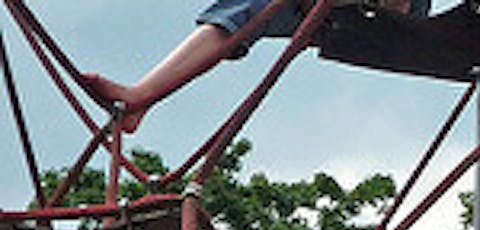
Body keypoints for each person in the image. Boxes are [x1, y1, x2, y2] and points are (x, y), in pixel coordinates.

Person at [81, 0, 430, 132]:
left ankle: (141, 99)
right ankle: (142, 98)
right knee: (246, 7)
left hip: (396, 19)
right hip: (336, 15)